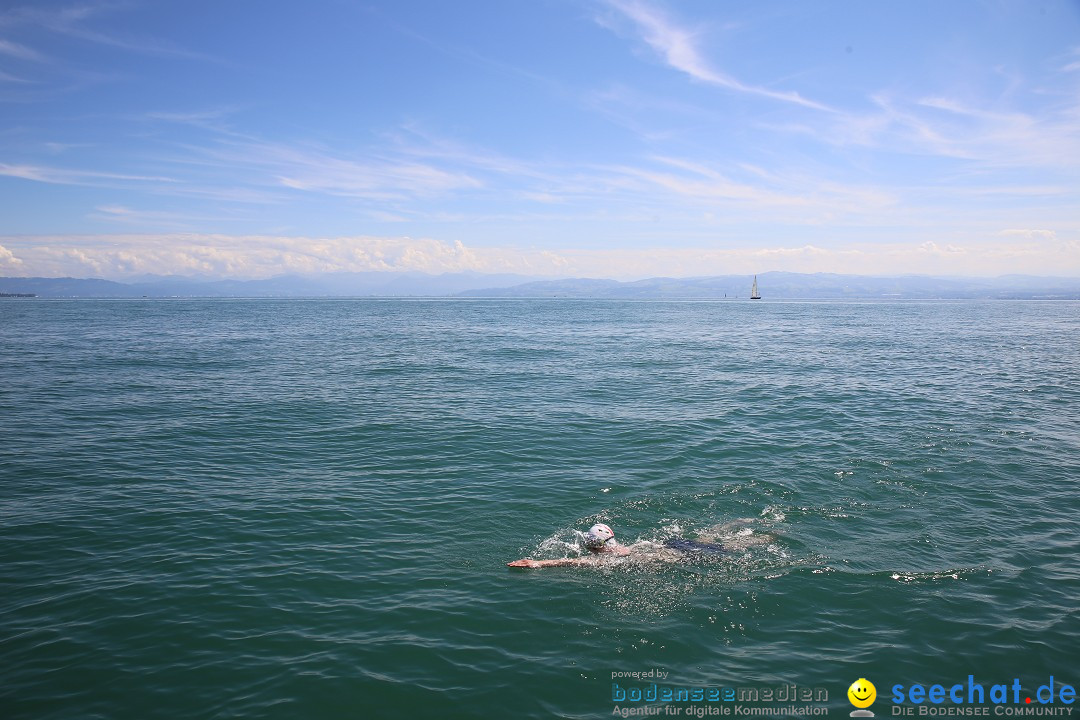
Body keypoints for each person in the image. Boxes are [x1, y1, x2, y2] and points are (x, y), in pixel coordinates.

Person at [506, 523, 725, 568]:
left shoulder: (602, 560)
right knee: (720, 541)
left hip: (680, 557)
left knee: (725, 549)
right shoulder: (626, 548)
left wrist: (537, 563)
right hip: (670, 544)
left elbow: (569, 561)